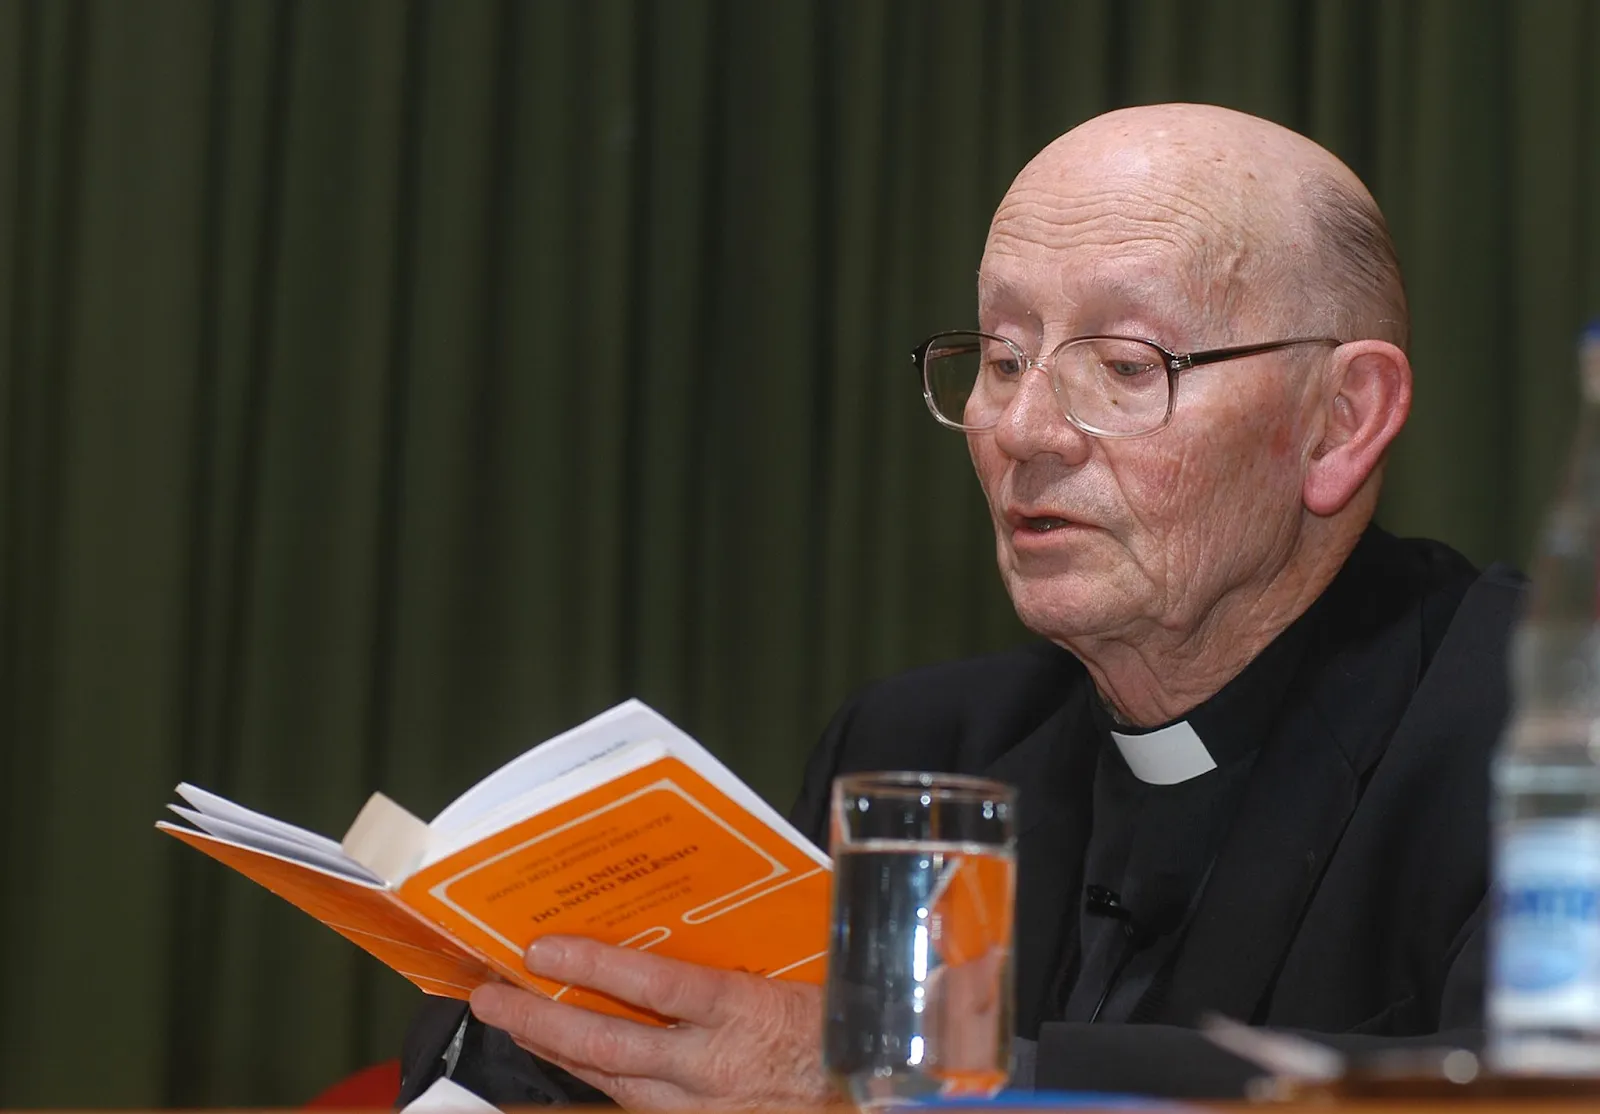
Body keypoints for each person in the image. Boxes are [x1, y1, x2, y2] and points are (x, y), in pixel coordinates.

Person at [397, 103, 1521, 1106]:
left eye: (1125, 365)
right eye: (1001, 354)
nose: (1024, 430)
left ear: (1340, 420)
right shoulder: (921, 749)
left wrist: (906, 1083)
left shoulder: (1539, 730)